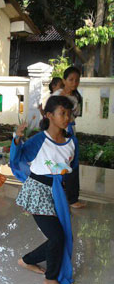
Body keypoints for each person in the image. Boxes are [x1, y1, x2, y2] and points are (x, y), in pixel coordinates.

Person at [11, 95, 77, 284]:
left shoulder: (72, 141)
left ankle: (26, 260)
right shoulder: (40, 140)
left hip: (57, 192)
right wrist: (17, 138)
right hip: (38, 191)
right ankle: (50, 278)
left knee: (61, 236)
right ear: (49, 115)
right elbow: (17, 158)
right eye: (61, 113)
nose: (66, 117)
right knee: (57, 236)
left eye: (69, 113)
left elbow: (71, 167)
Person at [53, 66, 85, 209]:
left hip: (70, 132)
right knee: (55, 163)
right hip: (56, 132)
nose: (74, 83)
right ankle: (53, 195)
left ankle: (72, 199)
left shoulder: (77, 98)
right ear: (64, 80)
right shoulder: (57, 95)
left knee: (72, 164)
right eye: (71, 79)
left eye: (77, 80)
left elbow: (75, 116)